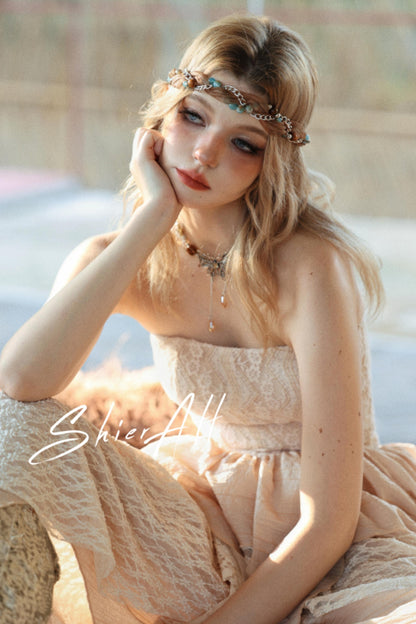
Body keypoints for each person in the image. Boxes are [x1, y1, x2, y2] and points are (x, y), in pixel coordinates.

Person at [0, 13, 416, 624]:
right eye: (193, 116)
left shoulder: (310, 264)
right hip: (207, 519)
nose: (205, 153)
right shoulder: (123, 257)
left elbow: (327, 523)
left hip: (341, 537)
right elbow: (20, 383)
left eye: (244, 143)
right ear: (162, 113)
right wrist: (152, 218)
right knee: (11, 426)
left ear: (271, 161)